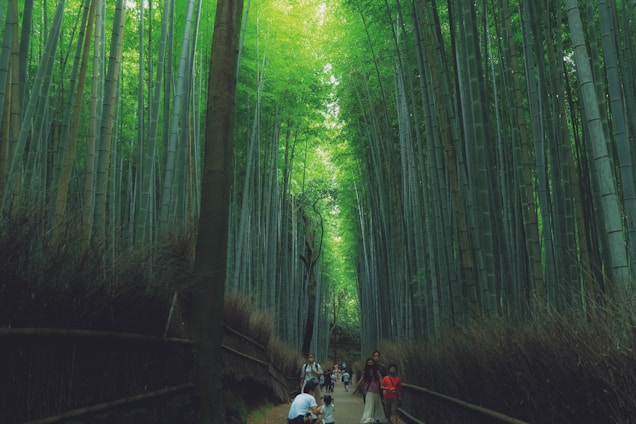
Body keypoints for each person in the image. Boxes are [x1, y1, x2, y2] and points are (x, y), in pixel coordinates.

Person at [352, 357, 387, 423]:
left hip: (376, 391)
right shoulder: (365, 372)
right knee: (369, 405)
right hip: (369, 390)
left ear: (374, 363)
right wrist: (355, 390)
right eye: (369, 362)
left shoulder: (377, 372)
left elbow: (381, 379)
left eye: (371, 362)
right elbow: (361, 380)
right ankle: (368, 418)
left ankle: (377, 418)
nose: (370, 363)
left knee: (377, 405)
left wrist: (382, 386)